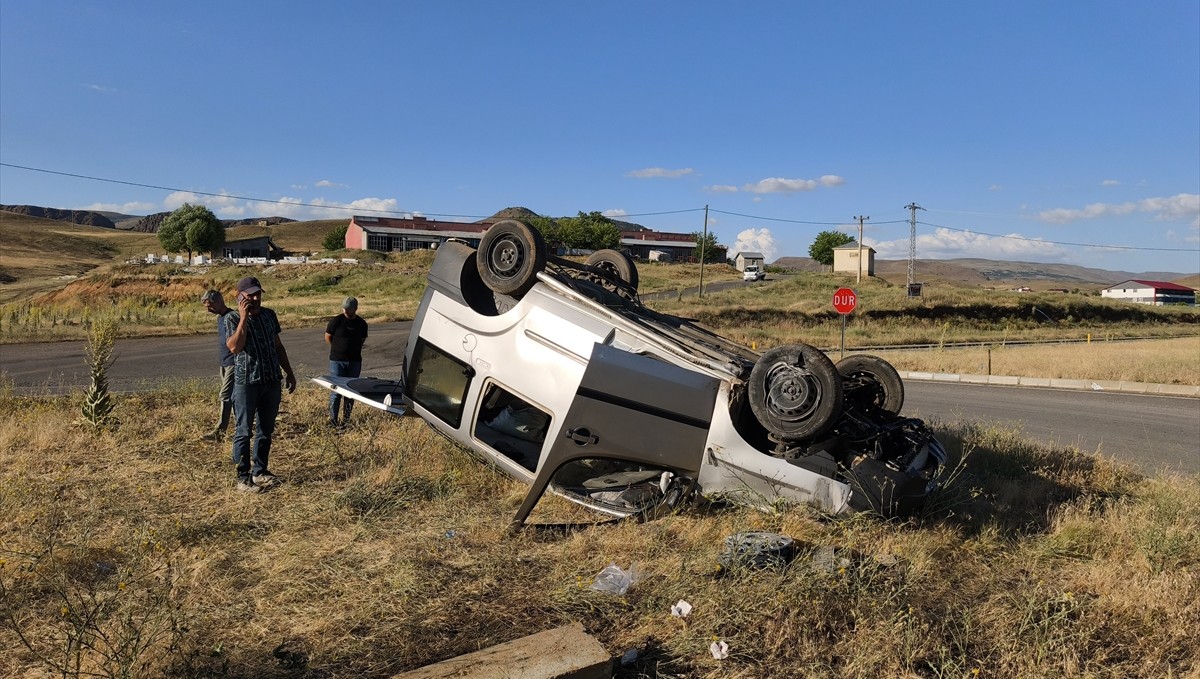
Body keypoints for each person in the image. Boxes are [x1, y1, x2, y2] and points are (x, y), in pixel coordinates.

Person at [224, 276, 297, 493]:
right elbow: (234, 347)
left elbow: (278, 346)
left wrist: (289, 373)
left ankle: (261, 470)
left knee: (266, 429)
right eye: (250, 295)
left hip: (271, 380)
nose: (255, 299)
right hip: (246, 383)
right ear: (240, 297)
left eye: (258, 294)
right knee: (244, 431)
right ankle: (243, 477)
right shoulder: (232, 318)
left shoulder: (269, 315)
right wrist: (244, 319)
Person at [325, 296, 368, 428]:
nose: (345, 310)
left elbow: (362, 339)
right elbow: (328, 337)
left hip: (354, 361)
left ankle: (346, 420)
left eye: (348, 309)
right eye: (344, 308)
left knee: (350, 391)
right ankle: (333, 420)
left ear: (355, 309)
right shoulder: (336, 321)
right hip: (337, 361)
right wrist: (338, 349)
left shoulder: (361, 323)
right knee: (336, 391)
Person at [200, 290, 236, 441]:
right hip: (225, 362)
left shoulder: (232, 317)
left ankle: (220, 432)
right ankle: (242, 427)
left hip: (233, 363)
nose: (208, 309)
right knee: (233, 397)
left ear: (219, 302)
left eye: (210, 306)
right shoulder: (220, 318)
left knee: (225, 395)